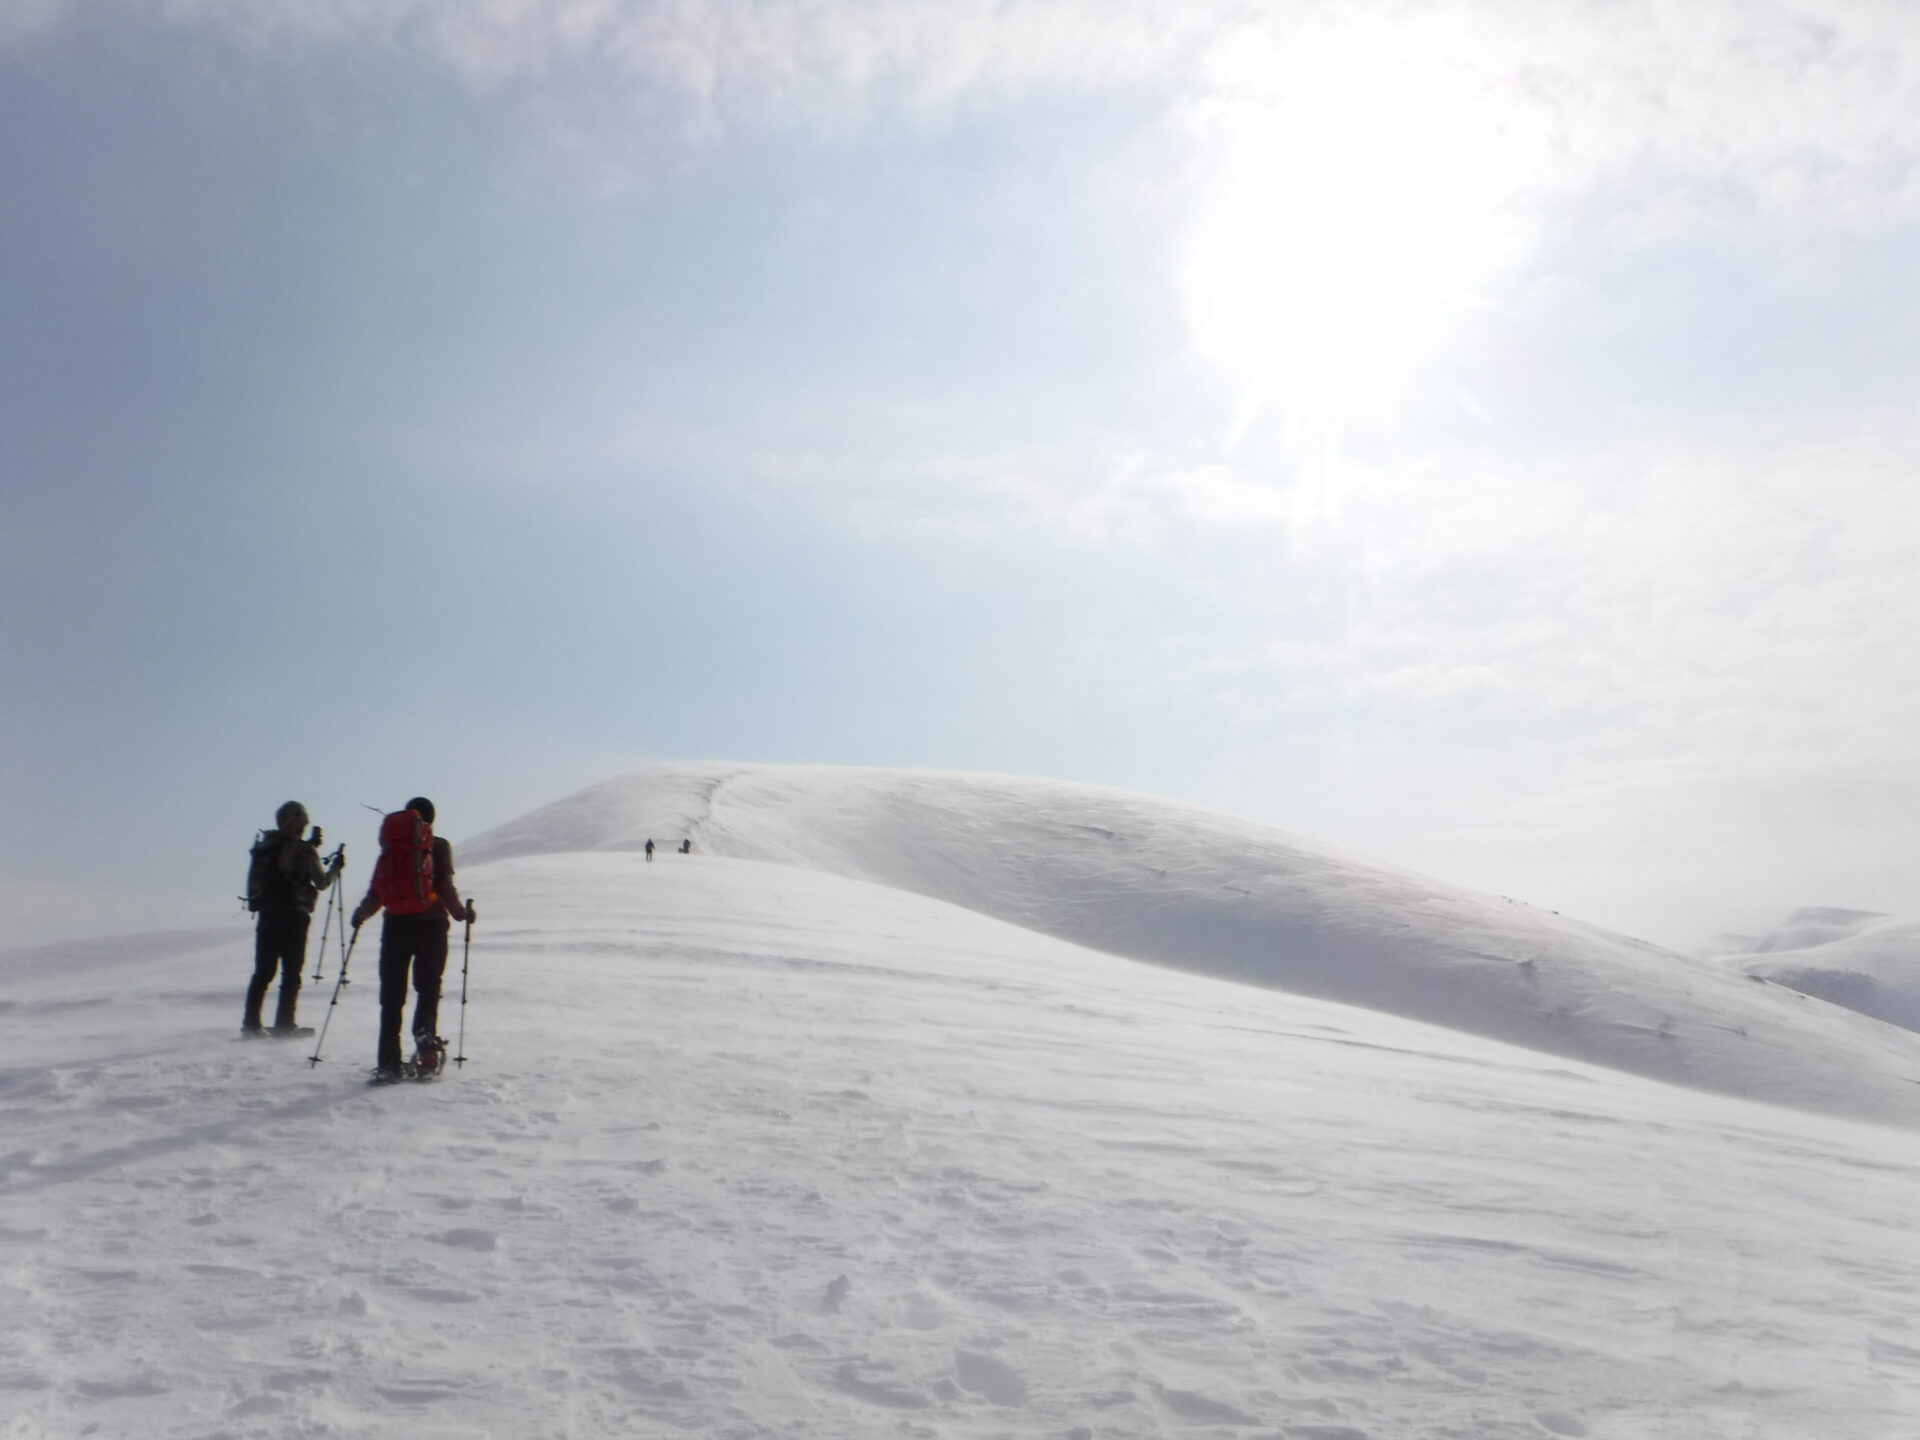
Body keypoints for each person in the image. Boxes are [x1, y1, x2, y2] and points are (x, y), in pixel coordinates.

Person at [352, 796, 469, 1080]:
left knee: (392, 996)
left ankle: (389, 1064)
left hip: (395, 926)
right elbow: (443, 885)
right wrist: (460, 913)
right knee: (428, 988)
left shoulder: (392, 847)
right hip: (431, 926)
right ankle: (426, 1053)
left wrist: (361, 913)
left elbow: (379, 888)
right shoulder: (438, 845)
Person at [243, 801, 342, 1035]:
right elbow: (321, 882)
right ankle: (284, 1023)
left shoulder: (266, 846)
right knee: (291, 972)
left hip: (267, 915)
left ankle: (250, 1024)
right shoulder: (305, 851)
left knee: (263, 972)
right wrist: (336, 868)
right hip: (295, 916)